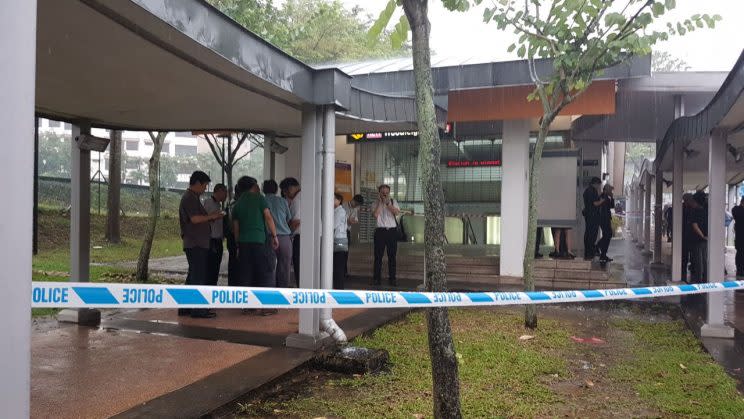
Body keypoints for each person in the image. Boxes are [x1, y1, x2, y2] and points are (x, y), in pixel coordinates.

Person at [178, 171, 224, 318]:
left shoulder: (194, 197)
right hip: (195, 243)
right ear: (197, 183)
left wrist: (209, 219)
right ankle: (198, 310)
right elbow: (195, 219)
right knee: (199, 276)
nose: (205, 189)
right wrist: (213, 216)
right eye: (204, 185)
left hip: (197, 242)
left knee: (193, 276)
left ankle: (186, 307)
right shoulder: (189, 198)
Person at [232, 176, 280, 315]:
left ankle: (247, 306)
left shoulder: (237, 204)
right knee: (265, 273)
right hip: (259, 242)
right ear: (253, 186)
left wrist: (238, 246)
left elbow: (236, 228)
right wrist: (275, 236)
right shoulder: (259, 198)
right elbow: (268, 217)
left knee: (246, 274)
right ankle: (266, 307)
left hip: (243, 243)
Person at [263, 179, 293, 288]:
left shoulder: (262, 200)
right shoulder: (283, 201)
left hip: (268, 237)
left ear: (263, 189)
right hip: (284, 238)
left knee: (269, 266)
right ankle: (283, 293)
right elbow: (289, 219)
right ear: (276, 190)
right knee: (284, 267)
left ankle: (270, 292)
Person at [372, 184, 400, 287]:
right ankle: (376, 278)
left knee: (392, 256)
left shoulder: (393, 201)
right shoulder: (375, 203)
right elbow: (375, 215)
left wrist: (388, 203)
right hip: (380, 232)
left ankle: (392, 279)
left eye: (387, 193)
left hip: (391, 232)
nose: (385, 194)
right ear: (379, 192)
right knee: (378, 257)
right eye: (383, 192)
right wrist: (380, 203)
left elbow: (397, 212)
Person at [202, 183, 227, 286]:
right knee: (210, 268)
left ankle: (213, 286)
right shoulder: (208, 203)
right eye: (225, 193)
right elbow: (204, 219)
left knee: (216, 268)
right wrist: (216, 216)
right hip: (210, 241)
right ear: (219, 191)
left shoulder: (218, 205)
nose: (226, 196)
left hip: (218, 240)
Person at [281, 177, 302, 286]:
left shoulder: (297, 200)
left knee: (299, 267)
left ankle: (301, 289)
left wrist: (288, 234)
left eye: (285, 191)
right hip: (311, 237)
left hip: (301, 238)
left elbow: (296, 221)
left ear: (290, 188)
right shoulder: (305, 195)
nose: (285, 195)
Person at [685, 192, 708, 284]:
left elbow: (695, 226)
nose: (692, 203)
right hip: (705, 239)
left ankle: (699, 280)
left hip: (697, 239)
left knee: (698, 261)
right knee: (705, 259)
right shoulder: (705, 211)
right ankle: (706, 278)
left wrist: (702, 235)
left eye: (693, 201)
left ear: (696, 201)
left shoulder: (695, 211)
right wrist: (705, 236)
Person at [582, 177, 605, 260]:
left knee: (588, 234)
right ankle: (590, 252)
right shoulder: (592, 191)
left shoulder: (586, 191)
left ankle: (588, 252)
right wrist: (602, 201)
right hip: (593, 216)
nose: (599, 186)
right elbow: (595, 203)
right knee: (592, 235)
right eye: (599, 184)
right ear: (595, 183)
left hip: (588, 215)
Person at [333, 193, 349, 289]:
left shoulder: (339, 211)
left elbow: (333, 225)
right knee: (337, 265)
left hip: (339, 240)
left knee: (338, 265)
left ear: (339, 201)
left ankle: (339, 287)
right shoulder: (336, 211)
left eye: (333, 199)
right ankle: (337, 286)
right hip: (339, 239)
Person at [597, 184, 615, 263]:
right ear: (607, 189)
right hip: (603, 219)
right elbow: (601, 207)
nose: (611, 191)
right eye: (610, 190)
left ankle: (602, 253)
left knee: (608, 235)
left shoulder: (607, 197)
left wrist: (612, 197)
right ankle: (599, 248)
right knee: (608, 235)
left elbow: (611, 206)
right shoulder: (603, 196)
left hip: (606, 218)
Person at [733, 197, 744, 278]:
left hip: (739, 236)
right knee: (740, 253)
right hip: (740, 236)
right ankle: (740, 270)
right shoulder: (738, 210)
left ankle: (739, 270)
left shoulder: (735, 209)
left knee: (739, 253)